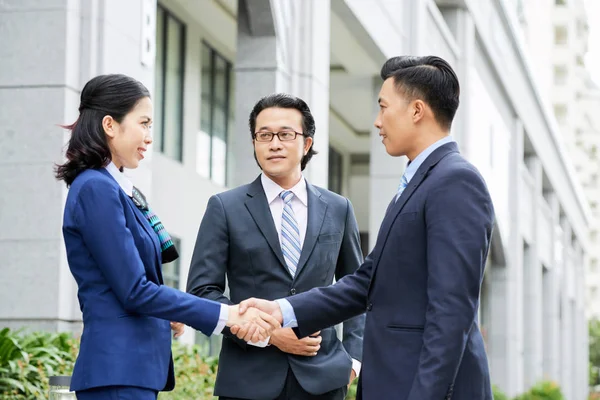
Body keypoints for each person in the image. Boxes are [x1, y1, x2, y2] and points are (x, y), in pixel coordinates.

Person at [236, 56, 496, 400]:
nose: (377, 122)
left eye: (384, 107)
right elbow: (365, 283)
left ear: (417, 110)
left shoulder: (456, 181)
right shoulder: (419, 182)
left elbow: (452, 312)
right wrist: (282, 310)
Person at [55, 74, 279, 400]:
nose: (149, 136)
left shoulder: (113, 188)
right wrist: (227, 314)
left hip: (131, 370)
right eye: (143, 123)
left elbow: (129, 285)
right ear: (109, 125)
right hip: (118, 371)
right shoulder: (96, 188)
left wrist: (166, 313)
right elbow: (134, 290)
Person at [186, 93, 365, 400]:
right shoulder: (225, 207)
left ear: (306, 144)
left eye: (285, 134)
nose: (274, 144)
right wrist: (268, 335)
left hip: (324, 378)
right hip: (248, 381)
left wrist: (353, 362)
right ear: (254, 143)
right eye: (264, 135)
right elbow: (202, 293)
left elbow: (358, 289)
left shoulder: (338, 208)